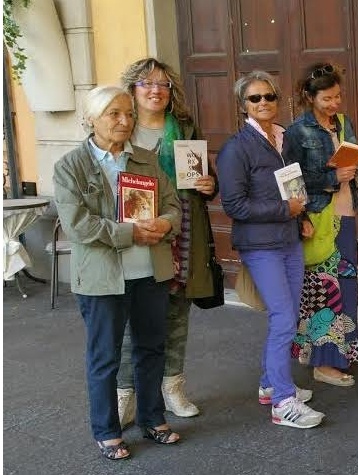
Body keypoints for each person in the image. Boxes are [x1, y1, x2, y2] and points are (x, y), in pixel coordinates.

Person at [52, 85, 182, 460]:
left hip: (148, 272)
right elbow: (78, 225)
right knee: (105, 356)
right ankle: (107, 430)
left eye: (129, 113)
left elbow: (172, 204)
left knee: (151, 349)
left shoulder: (145, 159)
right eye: (114, 113)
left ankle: (153, 419)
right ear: (91, 119)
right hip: (102, 278)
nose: (125, 121)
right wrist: (131, 232)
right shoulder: (70, 166)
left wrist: (164, 223)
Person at [218, 71, 325, 429]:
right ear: (243, 105)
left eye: (269, 97)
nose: (263, 103)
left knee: (288, 315)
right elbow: (234, 205)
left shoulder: (283, 139)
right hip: (261, 245)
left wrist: (302, 217)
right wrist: (285, 211)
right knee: (282, 318)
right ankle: (283, 403)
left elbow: (293, 187)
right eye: (255, 98)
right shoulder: (236, 148)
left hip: (289, 239)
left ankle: (269, 384)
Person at [115, 57, 219, 426]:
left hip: (183, 227)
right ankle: (124, 395)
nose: (155, 90)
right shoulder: (119, 126)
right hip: (137, 232)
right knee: (134, 316)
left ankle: (172, 386)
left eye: (163, 85)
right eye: (146, 84)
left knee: (177, 311)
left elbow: (205, 177)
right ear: (132, 90)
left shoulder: (184, 127)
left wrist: (209, 185)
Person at [283, 62, 358, 387]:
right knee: (324, 291)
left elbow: (352, 171)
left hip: (345, 214)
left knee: (345, 286)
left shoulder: (344, 124)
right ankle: (325, 363)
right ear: (310, 97)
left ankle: (334, 352)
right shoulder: (297, 132)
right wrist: (330, 180)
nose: (335, 104)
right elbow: (291, 182)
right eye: (327, 99)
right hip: (319, 218)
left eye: (337, 97)